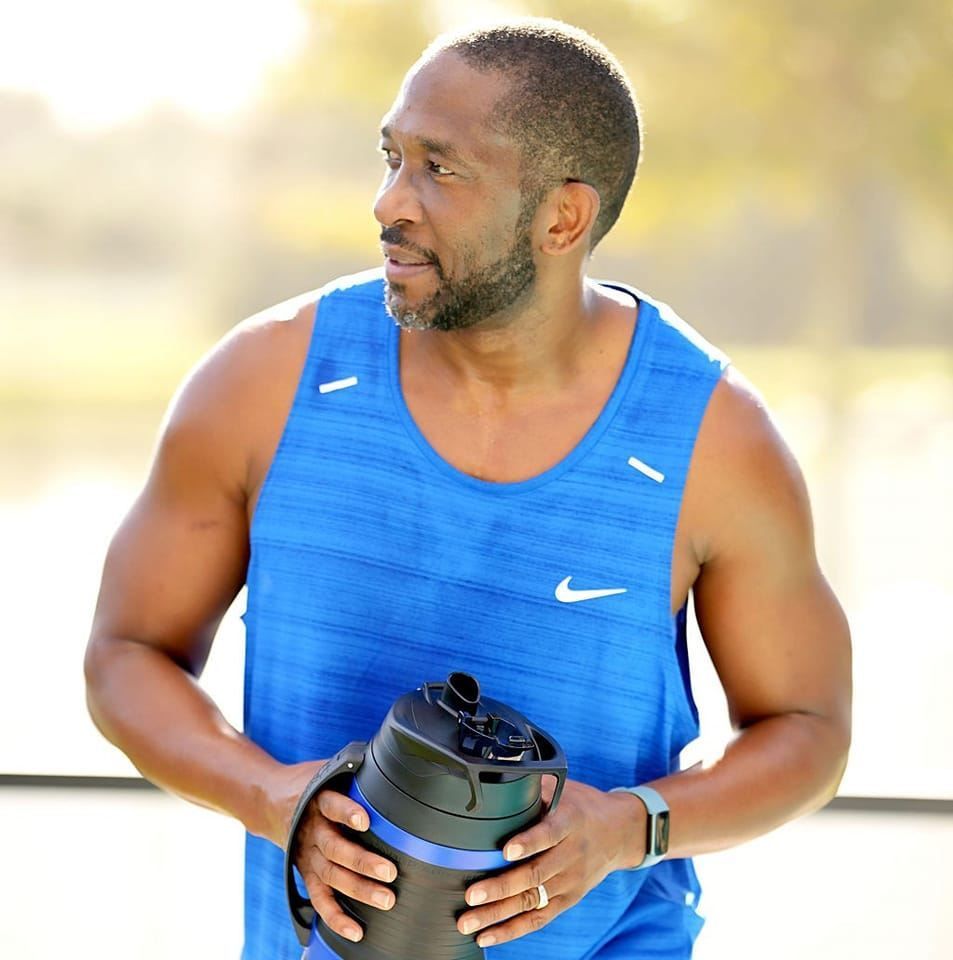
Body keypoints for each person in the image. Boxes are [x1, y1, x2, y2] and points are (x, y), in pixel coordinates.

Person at [84, 17, 852, 960]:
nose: (388, 203)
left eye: (439, 170)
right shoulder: (262, 382)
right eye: (391, 158)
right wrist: (271, 796)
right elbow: (125, 653)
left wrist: (629, 827)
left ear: (561, 218)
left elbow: (808, 731)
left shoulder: (713, 441)